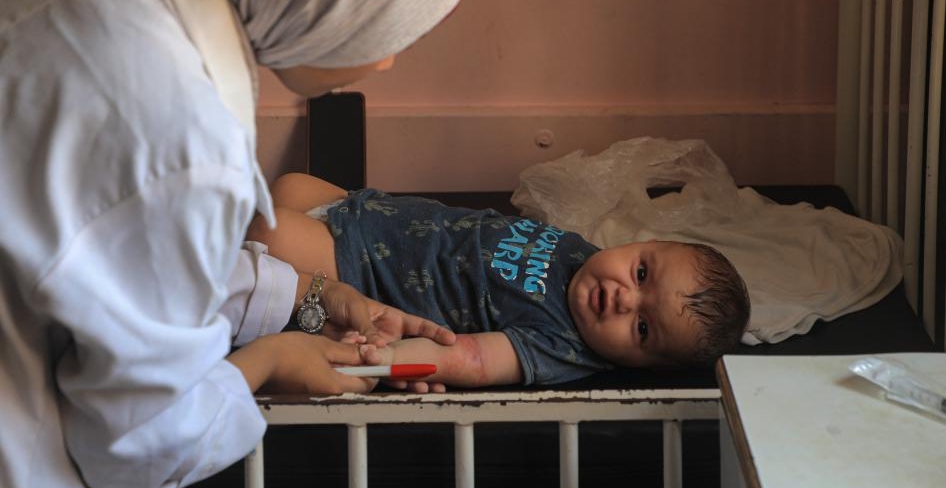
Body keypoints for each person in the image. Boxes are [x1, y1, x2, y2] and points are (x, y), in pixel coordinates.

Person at [0, 0, 474, 488]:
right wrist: (273, 362)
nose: (389, 59)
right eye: (382, 20)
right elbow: (133, 444)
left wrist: (312, 297)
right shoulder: (181, 120)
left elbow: (102, 257)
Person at [248, 173, 751, 389]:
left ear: (638, 363)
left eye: (642, 328)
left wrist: (383, 361)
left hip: (356, 270)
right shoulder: (589, 255)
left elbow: (468, 358)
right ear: (644, 244)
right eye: (641, 273)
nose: (624, 297)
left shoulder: (562, 345)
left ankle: (205, 262)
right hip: (367, 211)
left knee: (269, 229)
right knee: (290, 184)